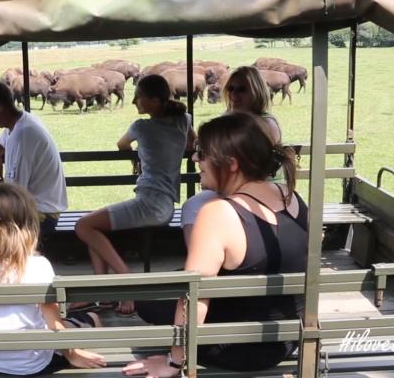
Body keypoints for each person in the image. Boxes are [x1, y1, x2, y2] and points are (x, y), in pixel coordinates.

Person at [124, 112, 307, 375]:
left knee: (148, 299)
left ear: (231, 164)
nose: (195, 158)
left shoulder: (217, 213)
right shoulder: (291, 197)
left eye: (203, 153)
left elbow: (193, 297)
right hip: (285, 341)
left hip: (238, 349)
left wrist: (174, 361)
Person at [74, 74, 195, 316]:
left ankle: (126, 281)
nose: (134, 102)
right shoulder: (184, 119)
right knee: (92, 229)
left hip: (148, 203)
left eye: (138, 97)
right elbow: (192, 145)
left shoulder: (141, 127)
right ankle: (103, 294)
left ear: (154, 100)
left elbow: (121, 145)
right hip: (166, 205)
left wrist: (136, 158)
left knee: (83, 226)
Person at [0, 182, 106, 375]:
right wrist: (73, 355)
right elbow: (54, 323)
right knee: (92, 318)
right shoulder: (38, 266)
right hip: (34, 365)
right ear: (28, 224)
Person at [181, 65, 282, 243]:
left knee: (201, 207)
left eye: (242, 89)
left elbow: (254, 165)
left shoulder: (266, 124)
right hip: (228, 186)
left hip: (261, 188)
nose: (235, 94)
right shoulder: (227, 118)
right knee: (192, 206)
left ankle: (205, 261)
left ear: (257, 91)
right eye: (231, 88)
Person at [0, 79, 67, 239]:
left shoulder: (22, 136)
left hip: (39, 216)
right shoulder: (20, 122)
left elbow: (13, 195)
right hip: (34, 207)